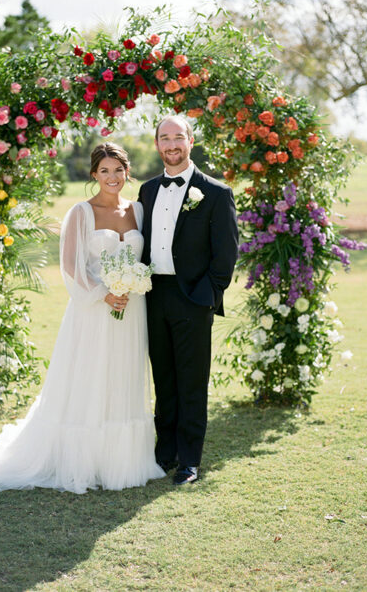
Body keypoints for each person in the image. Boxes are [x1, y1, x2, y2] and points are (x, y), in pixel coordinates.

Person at [0, 142, 166, 493]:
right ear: (93, 175)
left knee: (122, 376)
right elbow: (70, 267)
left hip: (130, 311)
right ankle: (84, 459)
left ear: (127, 172)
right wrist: (104, 293)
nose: (112, 177)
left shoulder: (139, 211)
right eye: (104, 171)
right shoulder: (80, 212)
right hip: (93, 310)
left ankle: (122, 461)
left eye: (118, 170)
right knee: (91, 378)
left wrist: (129, 287)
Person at [138, 115, 238, 486]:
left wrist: (209, 296)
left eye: (177, 137)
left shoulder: (215, 192)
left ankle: (189, 461)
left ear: (190, 141)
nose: (171, 145)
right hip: (153, 296)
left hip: (193, 298)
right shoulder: (147, 190)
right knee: (163, 379)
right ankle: (165, 454)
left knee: (191, 381)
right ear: (157, 145)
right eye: (164, 139)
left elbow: (225, 254)